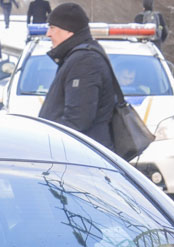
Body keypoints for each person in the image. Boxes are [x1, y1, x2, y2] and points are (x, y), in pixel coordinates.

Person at [38, 3, 115, 150]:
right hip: (77, 152)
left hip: (82, 157)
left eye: (52, 28)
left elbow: (78, 120)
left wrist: (48, 140)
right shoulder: (77, 57)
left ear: (68, 30)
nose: (48, 34)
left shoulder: (85, 61)